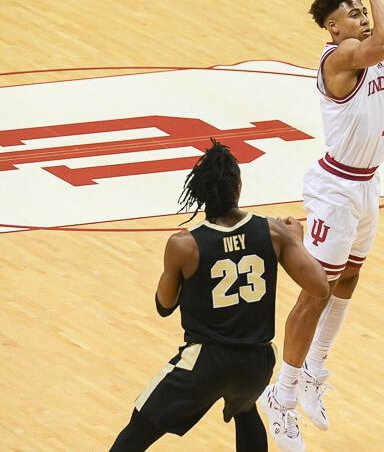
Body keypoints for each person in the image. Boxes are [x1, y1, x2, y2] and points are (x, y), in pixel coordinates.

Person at [258, 0, 384, 452]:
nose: (362, 13)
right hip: (336, 188)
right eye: (352, 10)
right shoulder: (343, 57)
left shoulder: (372, 45)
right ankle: (282, 397)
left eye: (364, 7)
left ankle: (314, 370)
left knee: (348, 281)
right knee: (315, 291)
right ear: (332, 27)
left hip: (367, 185)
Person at [109, 140, 328, 452]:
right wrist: (297, 241)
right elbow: (320, 286)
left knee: (139, 426)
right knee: (245, 407)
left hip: (207, 363)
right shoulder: (273, 232)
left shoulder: (184, 245)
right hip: (258, 361)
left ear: (199, 194)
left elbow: (164, 305)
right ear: (238, 188)